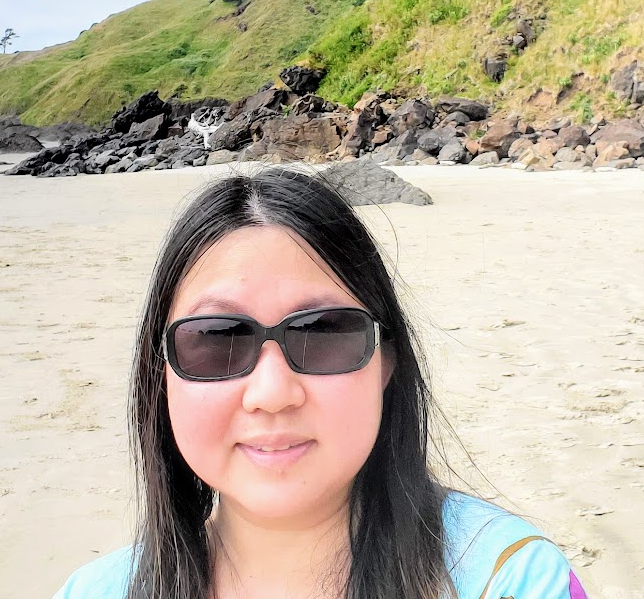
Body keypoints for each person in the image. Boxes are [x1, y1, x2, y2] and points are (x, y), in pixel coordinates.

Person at [54, 167, 588, 598]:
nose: (271, 393)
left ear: (386, 363)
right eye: (217, 338)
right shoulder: (99, 591)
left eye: (323, 332)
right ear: (160, 375)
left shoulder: (508, 578)